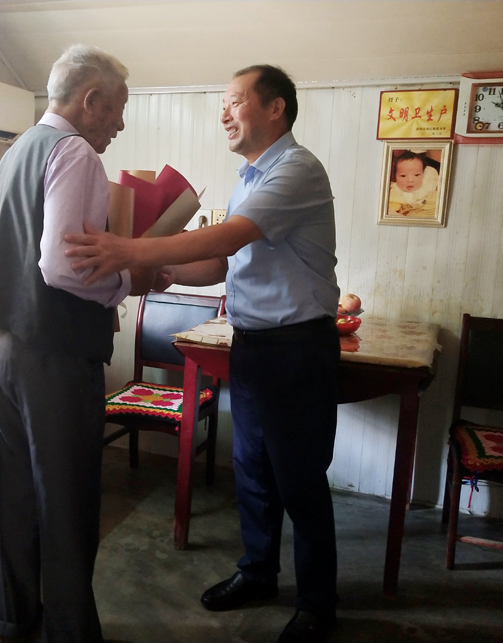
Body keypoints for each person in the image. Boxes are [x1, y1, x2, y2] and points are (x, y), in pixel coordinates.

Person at [65, 64, 341, 643]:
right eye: (223, 103)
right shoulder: (249, 178)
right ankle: (258, 573)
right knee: (252, 472)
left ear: (275, 108)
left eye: (235, 101)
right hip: (254, 345)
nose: (224, 113)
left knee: (299, 481)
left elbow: (228, 236)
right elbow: (221, 263)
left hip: (297, 349)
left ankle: (318, 603)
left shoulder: (297, 169)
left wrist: (128, 248)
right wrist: (160, 272)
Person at [0, 44, 152, 643]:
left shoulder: (18, 149)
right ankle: (70, 633)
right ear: (90, 101)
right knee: (66, 505)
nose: (120, 124)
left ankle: (16, 623)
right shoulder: (75, 152)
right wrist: (129, 280)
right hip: (51, 356)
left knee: (12, 495)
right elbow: (64, 267)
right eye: (117, 109)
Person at [387, 151, 438, 218]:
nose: (410, 180)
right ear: (395, 177)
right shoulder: (394, 193)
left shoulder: (428, 187)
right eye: (403, 175)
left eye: (417, 175)